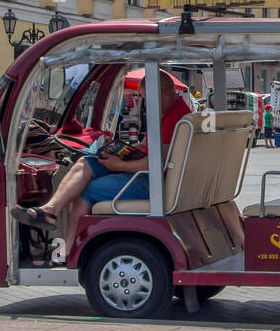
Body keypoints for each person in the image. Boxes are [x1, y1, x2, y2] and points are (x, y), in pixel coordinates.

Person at [10, 73, 188, 260]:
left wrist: (118, 165)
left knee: (84, 189)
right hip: (150, 176)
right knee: (86, 162)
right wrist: (119, 151)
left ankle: (69, 251)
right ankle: (50, 210)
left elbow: (155, 163)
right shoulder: (172, 113)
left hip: (152, 182)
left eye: (145, 98)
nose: (144, 104)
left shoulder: (174, 118)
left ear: (164, 95)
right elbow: (146, 147)